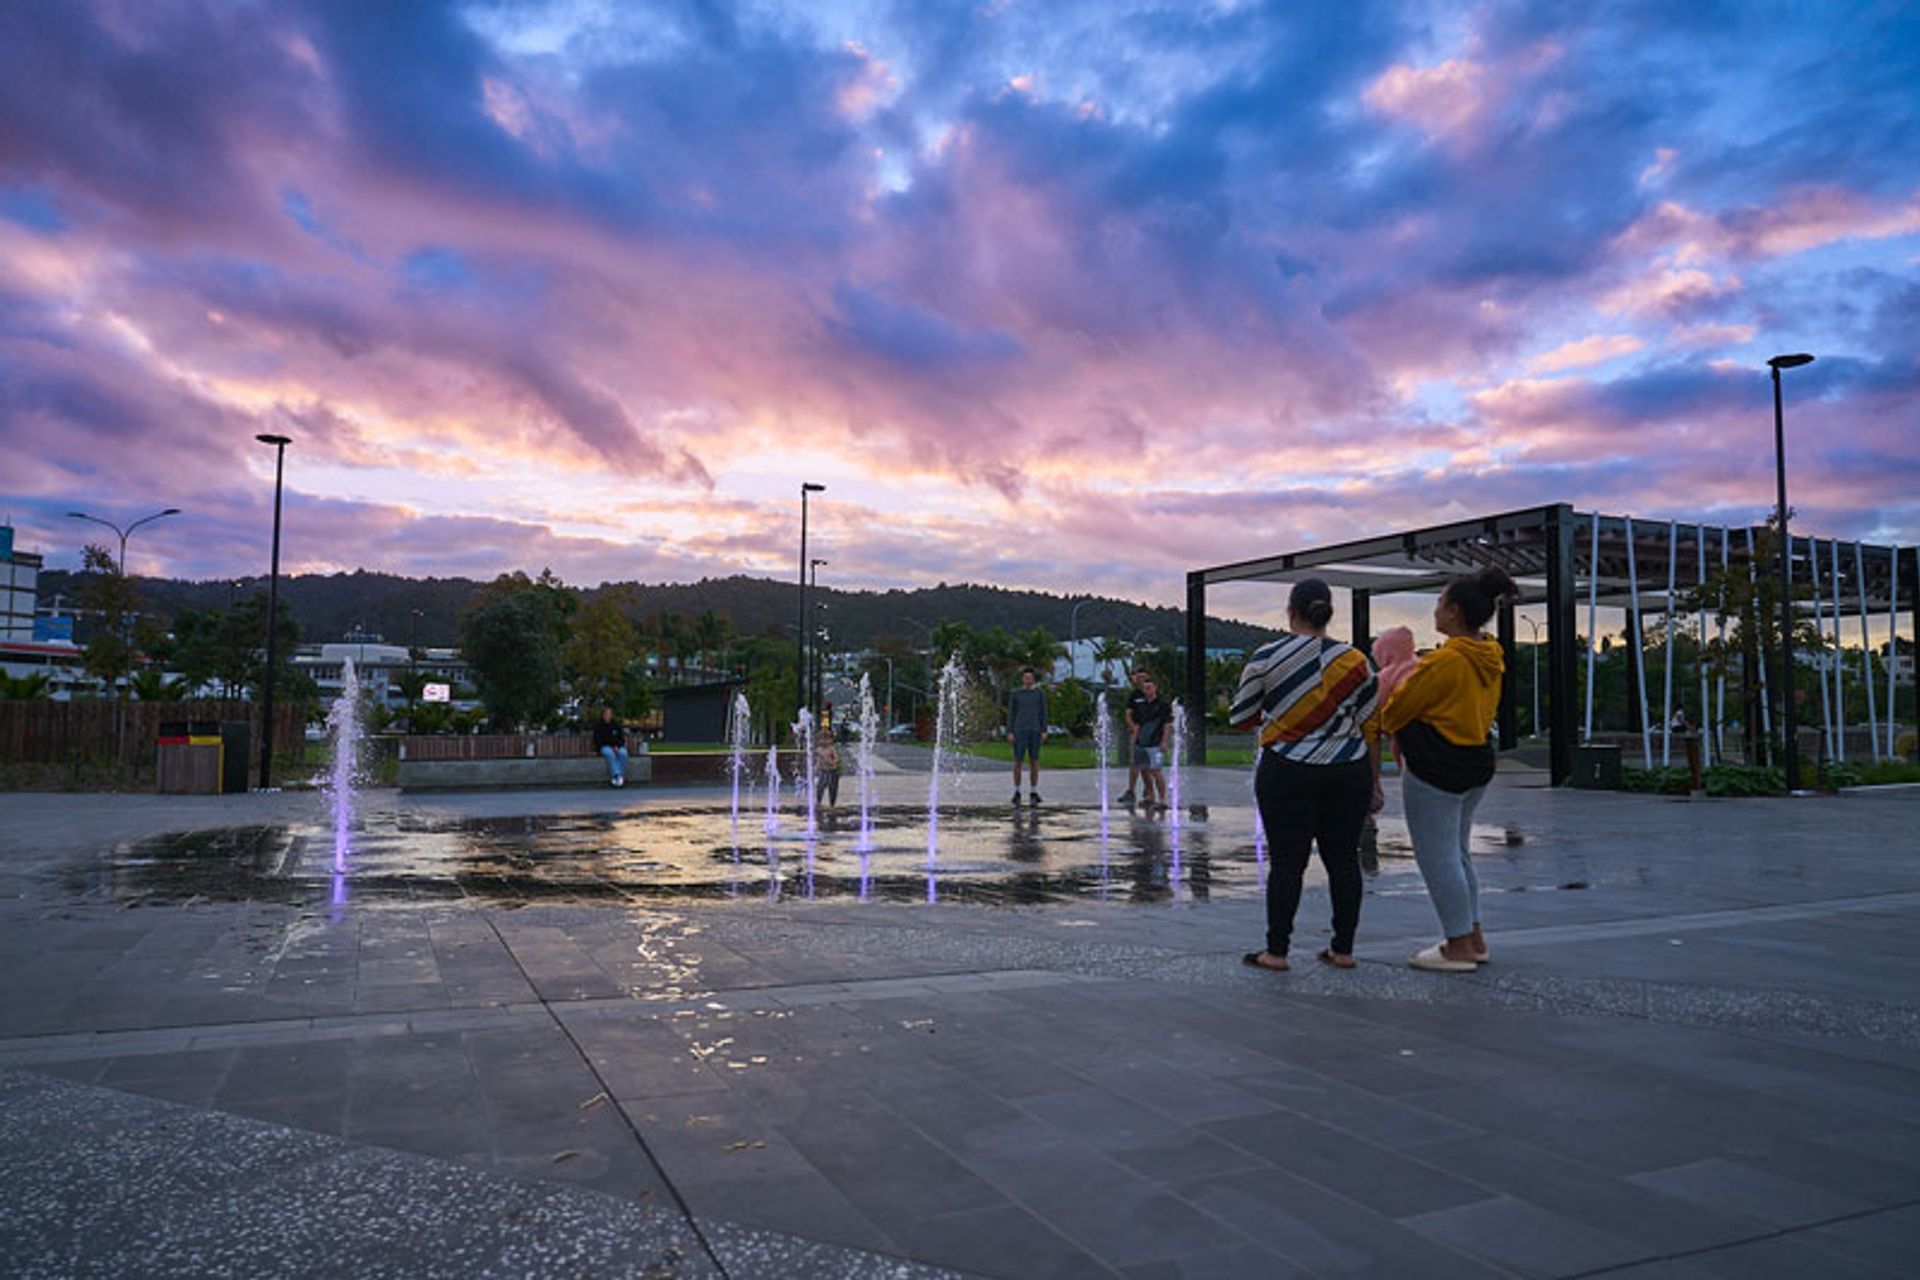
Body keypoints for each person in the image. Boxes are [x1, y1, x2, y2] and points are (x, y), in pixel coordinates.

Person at [1230, 579, 1382, 973]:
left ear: (1291, 611)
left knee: (1286, 863)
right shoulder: (1356, 661)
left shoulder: (1266, 656)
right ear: (1328, 612)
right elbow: (1370, 724)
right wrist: (1375, 782)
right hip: (1348, 771)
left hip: (1287, 768)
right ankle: (1343, 949)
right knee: (1344, 861)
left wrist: (1283, 713)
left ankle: (1276, 952)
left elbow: (1241, 718)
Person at [1382, 566, 1516, 972]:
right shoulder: (1491, 656)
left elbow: (1395, 712)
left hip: (1436, 766)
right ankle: (1473, 936)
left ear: (1455, 612)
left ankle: (1457, 945)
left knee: (1437, 856)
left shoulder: (1444, 662)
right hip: (1476, 762)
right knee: (1458, 852)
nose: (1435, 610)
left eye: (1440, 603)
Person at [1007, 666, 1048, 806]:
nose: (1028, 680)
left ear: (1033, 679)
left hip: (1035, 731)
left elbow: (1043, 712)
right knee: (1018, 761)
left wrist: (1044, 730)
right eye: (1026, 677)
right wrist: (1010, 731)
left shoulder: (1039, 693)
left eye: (1030, 677)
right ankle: (1017, 791)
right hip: (1019, 731)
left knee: (1034, 761)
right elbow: (1011, 713)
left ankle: (1033, 791)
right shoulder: (1016, 693)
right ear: (1022, 679)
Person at [1130, 676, 1171, 811]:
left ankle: (1163, 799)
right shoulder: (1140, 706)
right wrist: (1134, 740)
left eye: (1149, 688)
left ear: (1155, 688)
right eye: (1145, 688)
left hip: (1155, 743)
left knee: (1156, 770)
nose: (1147, 691)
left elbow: (1167, 724)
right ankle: (1150, 796)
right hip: (1141, 743)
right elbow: (1137, 724)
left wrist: (1164, 741)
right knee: (1144, 769)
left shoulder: (1162, 705)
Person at [1119, 670, 1150, 805]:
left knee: (1148, 763)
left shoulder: (1152, 695)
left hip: (1150, 734)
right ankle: (1131, 791)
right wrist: (1133, 727)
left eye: (1144, 677)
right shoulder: (1134, 696)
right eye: (1139, 678)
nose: (1141, 680)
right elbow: (1128, 714)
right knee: (1135, 762)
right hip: (1137, 733)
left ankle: (1149, 791)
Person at [592, 706, 629, 788]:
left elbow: (621, 739)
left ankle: (619, 776)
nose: (608, 716)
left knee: (623, 753)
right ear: (602, 715)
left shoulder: (616, 725)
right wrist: (611, 746)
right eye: (606, 714)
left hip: (617, 746)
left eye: (609, 714)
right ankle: (616, 775)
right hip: (604, 747)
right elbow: (598, 740)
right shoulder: (598, 726)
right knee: (610, 754)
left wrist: (617, 746)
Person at [815, 721, 841, 811]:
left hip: (833, 771)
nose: (824, 742)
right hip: (823, 770)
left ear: (831, 740)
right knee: (820, 786)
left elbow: (837, 759)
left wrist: (832, 762)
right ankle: (818, 802)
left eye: (827, 739)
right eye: (821, 739)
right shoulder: (819, 750)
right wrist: (816, 768)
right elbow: (818, 760)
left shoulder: (831, 749)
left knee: (832, 788)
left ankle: (832, 804)